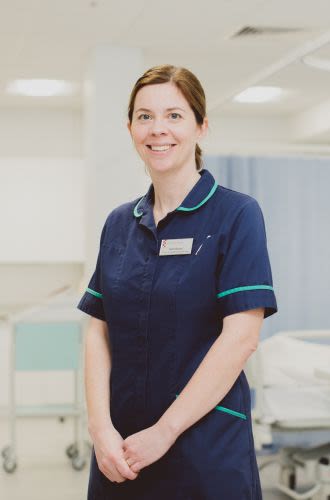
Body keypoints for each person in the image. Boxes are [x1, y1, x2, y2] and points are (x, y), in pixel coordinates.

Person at [77, 64, 278, 499]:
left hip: (203, 448)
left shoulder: (236, 215)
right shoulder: (118, 224)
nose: (157, 129)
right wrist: (99, 428)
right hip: (121, 451)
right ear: (130, 127)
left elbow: (241, 338)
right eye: (144, 116)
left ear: (201, 126)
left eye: (174, 115)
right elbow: (98, 328)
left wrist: (165, 432)